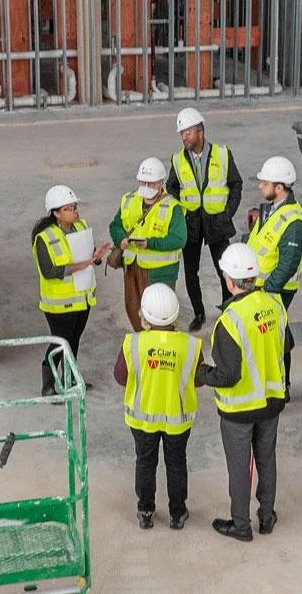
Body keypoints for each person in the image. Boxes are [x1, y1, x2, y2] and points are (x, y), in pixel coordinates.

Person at [196, 243, 287, 542]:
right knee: (267, 460)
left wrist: (200, 373)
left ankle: (241, 525)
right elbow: (285, 347)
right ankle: (266, 516)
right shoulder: (274, 306)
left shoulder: (230, 320)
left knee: (239, 468)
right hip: (271, 402)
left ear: (229, 281)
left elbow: (227, 375)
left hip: (239, 411)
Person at [113, 283, 200, 531]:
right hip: (178, 420)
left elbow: (120, 377)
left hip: (142, 421)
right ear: (175, 315)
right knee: (176, 463)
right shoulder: (190, 345)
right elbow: (198, 379)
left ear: (144, 315)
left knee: (145, 462)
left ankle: (146, 511)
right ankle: (177, 513)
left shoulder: (132, 343)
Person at [166, 107, 243, 331]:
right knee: (191, 272)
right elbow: (171, 187)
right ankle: (199, 313)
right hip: (191, 223)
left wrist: (227, 212)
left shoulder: (222, 154)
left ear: (201, 131)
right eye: (181, 133)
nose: (184, 137)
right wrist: (181, 211)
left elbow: (235, 184)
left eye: (187, 132)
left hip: (216, 221)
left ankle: (227, 311)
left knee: (224, 270)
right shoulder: (178, 160)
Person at [32, 185, 113, 395]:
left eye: (75, 206)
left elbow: (90, 257)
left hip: (81, 299)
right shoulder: (44, 238)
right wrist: (85, 263)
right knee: (60, 343)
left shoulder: (80, 227)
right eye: (69, 208)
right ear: (56, 213)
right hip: (59, 305)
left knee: (74, 340)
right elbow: (50, 271)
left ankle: (70, 379)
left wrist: (96, 256)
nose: (75, 211)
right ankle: (48, 386)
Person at [245, 156, 302, 395]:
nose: (260, 186)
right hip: (260, 286)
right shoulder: (271, 210)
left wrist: (267, 289)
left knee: (276, 336)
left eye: (265, 183)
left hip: (276, 289)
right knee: (274, 332)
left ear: (279, 188)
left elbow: (288, 264)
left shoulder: (293, 221)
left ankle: (282, 385)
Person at [111, 157, 188, 332]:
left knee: (160, 313)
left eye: (151, 183)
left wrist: (151, 243)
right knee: (133, 308)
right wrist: (120, 238)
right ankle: (142, 342)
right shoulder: (129, 200)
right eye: (143, 182)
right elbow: (115, 225)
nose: (146, 187)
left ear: (161, 183)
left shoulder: (172, 207)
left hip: (160, 272)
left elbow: (179, 239)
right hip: (132, 269)